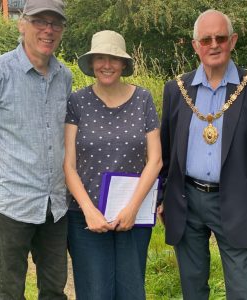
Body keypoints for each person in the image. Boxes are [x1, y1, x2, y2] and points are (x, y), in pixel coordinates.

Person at [0, 0, 72, 299]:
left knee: (54, 287)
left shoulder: (64, 76)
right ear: (22, 23)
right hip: (11, 206)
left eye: (56, 23)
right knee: (11, 289)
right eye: (40, 21)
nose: (48, 30)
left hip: (55, 205)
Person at [159, 9, 247, 300]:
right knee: (193, 286)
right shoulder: (176, 90)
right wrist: (160, 198)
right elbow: (165, 153)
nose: (214, 44)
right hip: (186, 199)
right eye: (206, 39)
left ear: (233, 41)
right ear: (196, 46)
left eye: (220, 37)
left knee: (244, 289)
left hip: (235, 198)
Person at [64, 30, 162, 300]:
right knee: (95, 292)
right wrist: (88, 210)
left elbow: (155, 160)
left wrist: (132, 208)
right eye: (100, 58)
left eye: (114, 58)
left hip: (134, 213)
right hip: (85, 215)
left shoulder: (143, 100)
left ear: (124, 64)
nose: (106, 65)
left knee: (132, 290)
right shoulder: (77, 102)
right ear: (92, 63)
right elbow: (68, 164)